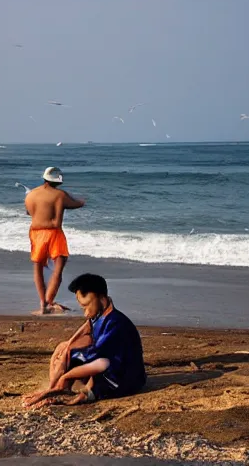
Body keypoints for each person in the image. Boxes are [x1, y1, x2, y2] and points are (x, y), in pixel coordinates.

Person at [23, 273, 146, 408]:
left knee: (86, 360)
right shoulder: (99, 315)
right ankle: (55, 387)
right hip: (105, 363)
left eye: (87, 306)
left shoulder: (115, 324)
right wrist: (66, 348)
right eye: (83, 308)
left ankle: (81, 391)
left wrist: (67, 375)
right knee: (65, 349)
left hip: (123, 378)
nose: (85, 313)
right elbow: (85, 330)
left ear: (102, 299)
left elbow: (98, 360)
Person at [25, 167, 85, 314]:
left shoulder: (31, 195)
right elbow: (75, 204)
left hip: (35, 232)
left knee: (38, 267)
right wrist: (84, 200)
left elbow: (28, 212)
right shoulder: (59, 195)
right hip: (53, 232)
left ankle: (42, 303)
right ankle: (49, 301)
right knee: (58, 266)